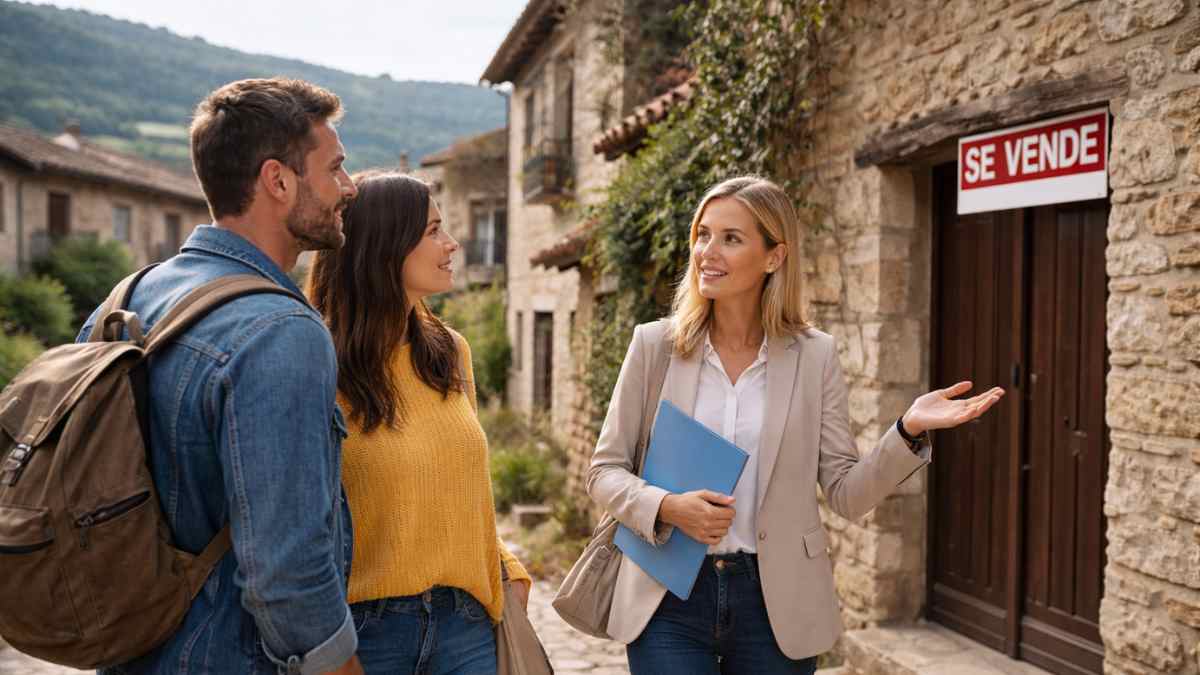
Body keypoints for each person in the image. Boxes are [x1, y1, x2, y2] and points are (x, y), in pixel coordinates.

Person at [587, 176, 1005, 674]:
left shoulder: (814, 356)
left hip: (775, 602)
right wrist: (668, 507)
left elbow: (847, 493)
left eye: (731, 238)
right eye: (703, 234)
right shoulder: (655, 346)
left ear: (774, 256)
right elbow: (605, 471)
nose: (707, 251)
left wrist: (908, 430)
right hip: (668, 596)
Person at [77, 78, 363, 675]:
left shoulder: (127, 297)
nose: (348, 187)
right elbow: (287, 571)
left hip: (131, 651)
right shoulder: (281, 331)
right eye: (334, 168)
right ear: (277, 181)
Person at [306, 171, 532, 675]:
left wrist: (508, 571)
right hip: (364, 634)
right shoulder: (315, 361)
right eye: (432, 231)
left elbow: (465, 487)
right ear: (383, 245)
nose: (451, 244)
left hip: (465, 628)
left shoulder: (448, 351)